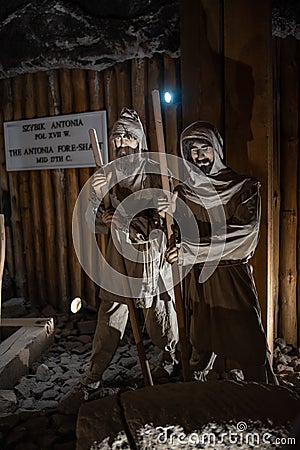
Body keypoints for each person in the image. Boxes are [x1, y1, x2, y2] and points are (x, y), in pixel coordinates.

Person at [166, 121, 277, 384]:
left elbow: (245, 235)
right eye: (192, 150)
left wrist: (191, 250)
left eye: (206, 148)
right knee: (200, 342)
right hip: (202, 279)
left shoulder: (244, 187)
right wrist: (167, 217)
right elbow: (179, 237)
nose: (199, 155)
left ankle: (265, 400)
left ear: (217, 148)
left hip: (232, 278)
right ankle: (197, 397)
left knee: (250, 343)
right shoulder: (183, 193)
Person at [82, 108, 179, 388]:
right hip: (118, 258)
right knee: (110, 314)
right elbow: (92, 220)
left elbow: (169, 216)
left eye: (129, 136)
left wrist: (161, 211)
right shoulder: (105, 176)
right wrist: (102, 211)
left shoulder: (156, 172)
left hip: (150, 256)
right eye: (117, 137)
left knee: (159, 315)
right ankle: (94, 374)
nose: (123, 142)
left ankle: (170, 360)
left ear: (140, 140)